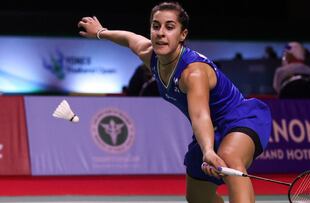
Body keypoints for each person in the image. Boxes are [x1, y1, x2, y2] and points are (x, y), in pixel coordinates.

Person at [78, 2, 271, 202]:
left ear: (182, 35)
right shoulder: (150, 55)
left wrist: (208, 150)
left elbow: (199, 115)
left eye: (169, 27)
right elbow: (129, 39)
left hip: (240, 119)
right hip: (210, 130)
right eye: (156, 26)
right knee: (197, 197)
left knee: (230, 158)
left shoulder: (193, 72)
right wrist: (101, 32)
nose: (161, 33)